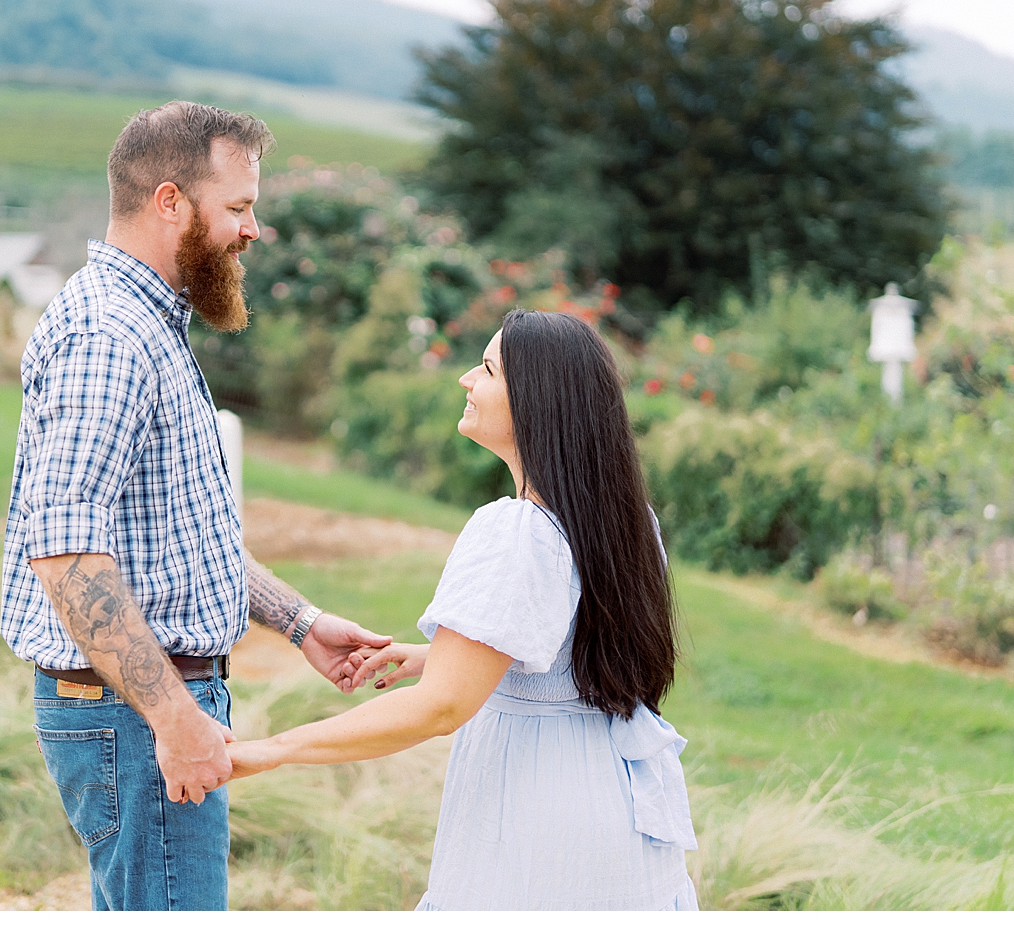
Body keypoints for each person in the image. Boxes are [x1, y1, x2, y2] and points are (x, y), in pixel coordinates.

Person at [0, 101, 390, 912]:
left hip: (140, 707)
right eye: (239, 208)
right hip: (137, 714)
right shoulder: (111, 334)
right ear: (170, 201)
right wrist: (175, 719)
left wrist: (298, 620)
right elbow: (66, 552)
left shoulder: (147, 323)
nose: (254, 230)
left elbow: (175, 539)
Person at [227, 310, 699, 911]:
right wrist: (438, 656)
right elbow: (573, 648)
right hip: (617, 808)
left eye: (487, 368)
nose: (465, 380)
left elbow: (441, 708)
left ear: (535, 402)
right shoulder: (625, 524)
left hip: (533, 819)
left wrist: (268, 750)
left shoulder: (515, 530)